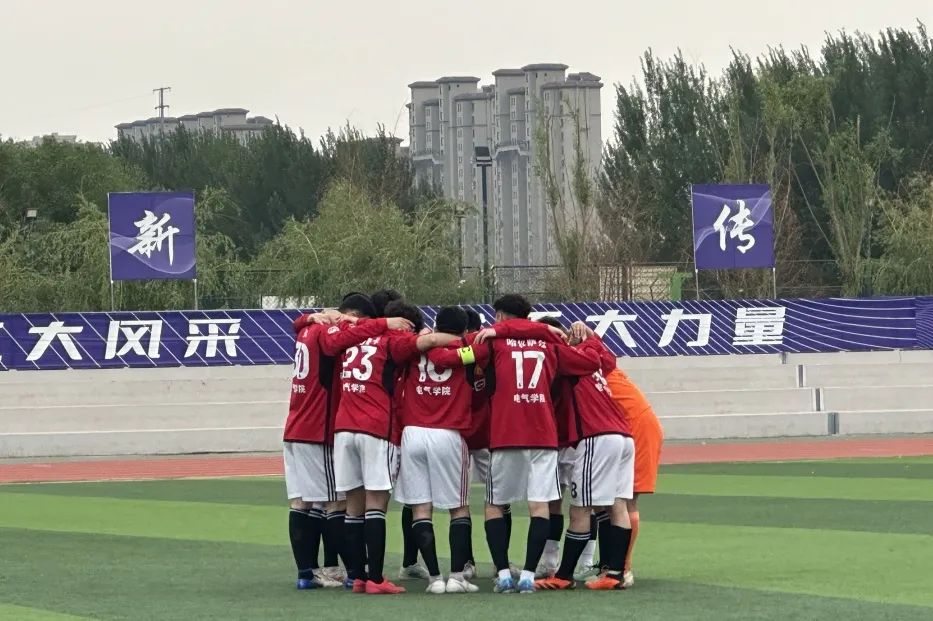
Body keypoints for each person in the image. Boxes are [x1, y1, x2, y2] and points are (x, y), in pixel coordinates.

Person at [466, 294, 604, 594]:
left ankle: (503, 573)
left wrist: (501, 332)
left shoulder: (493, 341)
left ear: (500, 316)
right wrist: (589, 338)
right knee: (540, 505)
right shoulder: (550, 344)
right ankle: (529, 574)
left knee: (495, 504)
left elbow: (465, 348)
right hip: (543, 436)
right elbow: (591, 361)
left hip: (506, 434)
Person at [284, 297, 412, 590]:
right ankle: (349, 572)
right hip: (317, 427)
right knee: (336, 503)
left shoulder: (309, 326)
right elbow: (334, 342)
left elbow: (297, 324)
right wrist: (382, 324)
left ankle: (309, 572)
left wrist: (308, 317)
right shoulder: (327, 330)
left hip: (297, 424)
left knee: (303, 501)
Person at [333, 300, 457, 595]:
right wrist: (458, 338)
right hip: (375, 426)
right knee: (376, 505)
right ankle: (376, 579)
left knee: (353, 507)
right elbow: (429, 342)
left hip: (344, 427)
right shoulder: (393, 341)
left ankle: (358, 576)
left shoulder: (353, 339)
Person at [533, 321, 636, 591]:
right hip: (623, 436)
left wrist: (577, 339)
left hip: (596, 436)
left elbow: (564, 356)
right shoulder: (595, 362)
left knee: (580, 507)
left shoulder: (567, 358)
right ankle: (615, 573)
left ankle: (564, 575)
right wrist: (591, 336)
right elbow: (608, 358)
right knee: (617, 505)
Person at [395, 306, 479, 594]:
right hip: (447, 432)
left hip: (413, 433)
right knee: (459, 507)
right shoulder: (467, 350)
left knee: (421, 508)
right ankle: (456, 577)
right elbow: (475, 354)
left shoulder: (416, 347)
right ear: (464, 330)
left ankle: (434, 579)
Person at [605, 366, 663, 589]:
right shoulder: (596, 362)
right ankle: (611, 564)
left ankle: (623, 568)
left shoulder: (588, 362)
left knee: (626, 498)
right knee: (609, 500)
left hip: (636, 427)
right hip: (627, 426)